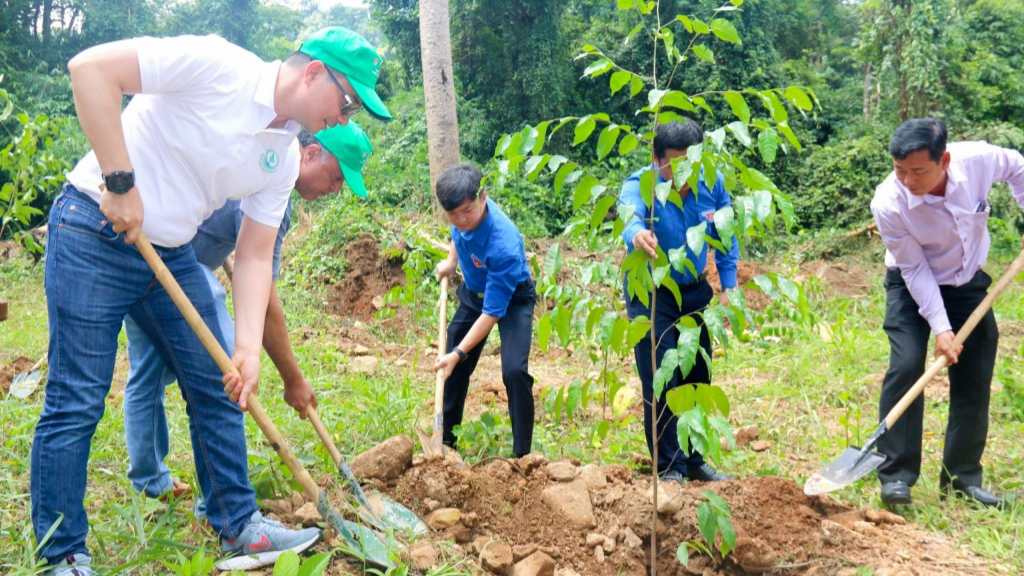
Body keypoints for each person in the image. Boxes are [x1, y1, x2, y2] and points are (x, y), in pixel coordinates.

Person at [33, 26, 390, 575]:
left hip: (170, 252)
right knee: (77, 395)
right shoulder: (218, 64)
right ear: (313, 72)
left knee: (221, 377)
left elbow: (252, 255)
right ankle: (63, 554)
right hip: (93, 230)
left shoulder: (285, 158)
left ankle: (237, 524)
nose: (345, 118)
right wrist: (120, 180)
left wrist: (247, 346)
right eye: (346, 103)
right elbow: (91, 70)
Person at [122, 123, 373, 511]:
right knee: (227, 374)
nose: (336, 189)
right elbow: (264, 301)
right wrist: (293, 380)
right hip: (162, 259)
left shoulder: (266, 160)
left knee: (149, 372)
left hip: (148, 253)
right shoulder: (272, 179)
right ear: (309, 154)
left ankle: (150, 481)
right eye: (338, 176)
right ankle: (227, 507)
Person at [870, 118, 1024, 508]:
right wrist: (941, 328)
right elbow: (914, 269)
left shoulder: (978, 160)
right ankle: (895, 475)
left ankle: (962, 479)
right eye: (899, 170)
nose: (907, 179)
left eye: (918, 170)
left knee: (975, 371)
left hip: (966, 283)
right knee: (906, 366)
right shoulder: (888, 202)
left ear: (945, 160)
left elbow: (1018, 166)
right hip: (910, 287)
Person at [618, 118, 738, 484]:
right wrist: (637, 233)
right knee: (660, 376)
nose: (683, 171)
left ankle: (694, 458)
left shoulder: (711, 182)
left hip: (695, 291)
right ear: (656, 159)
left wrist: (728, 287)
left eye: (691, 160)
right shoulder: (640, 184)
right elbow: (628, 213)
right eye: (674, 162)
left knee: (696, 375)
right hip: (652, 293)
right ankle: (669, 466)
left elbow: (725, 234)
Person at [432, 162, 537, 459]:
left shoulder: (503, 243)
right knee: (449, 367)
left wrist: (459, 353)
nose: (461, 219)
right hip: (474, 293)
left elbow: (491, 314)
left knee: (514, 371)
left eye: (467, 211)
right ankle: (446, 447)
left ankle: (522, 458)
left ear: (484, 198)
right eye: (453, 213)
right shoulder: (460, 211)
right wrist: (452, 262)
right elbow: (458, 232)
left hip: (512, 298)